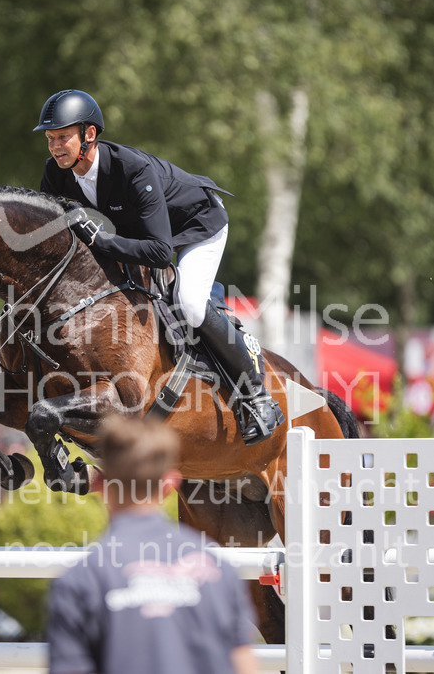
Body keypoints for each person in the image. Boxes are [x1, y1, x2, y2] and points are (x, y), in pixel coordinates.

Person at [34, 89, 283, 444]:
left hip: (197, 226)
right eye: (50, 139)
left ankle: (257, 395)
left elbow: (159, 252)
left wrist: (100, 241)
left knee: (190, 304)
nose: (55, 146)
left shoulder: (133, 169)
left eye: (62, 137)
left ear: (89, 135)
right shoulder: (56, 173)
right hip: (142, 234)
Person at [46, 416, 258, 674]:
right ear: (170, 485)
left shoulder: (80, 580)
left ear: (100, 483)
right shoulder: (220, 570)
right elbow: (245, 667)